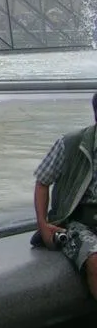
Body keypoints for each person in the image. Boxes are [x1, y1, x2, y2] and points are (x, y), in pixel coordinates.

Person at [33, 94, 97, 299]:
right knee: (95, 260)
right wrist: (43, 225)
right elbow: (42, 182)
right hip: (76, 221)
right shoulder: (71, 144)